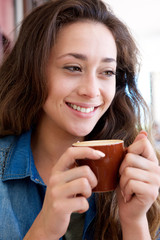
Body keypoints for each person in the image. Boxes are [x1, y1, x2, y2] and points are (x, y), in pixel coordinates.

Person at [0, 0, 160, 239]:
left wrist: (134, 221)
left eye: (107, 72)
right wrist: (44, 230)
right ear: (33, 71)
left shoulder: (143, 176)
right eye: (73, 67)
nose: (92, 91)